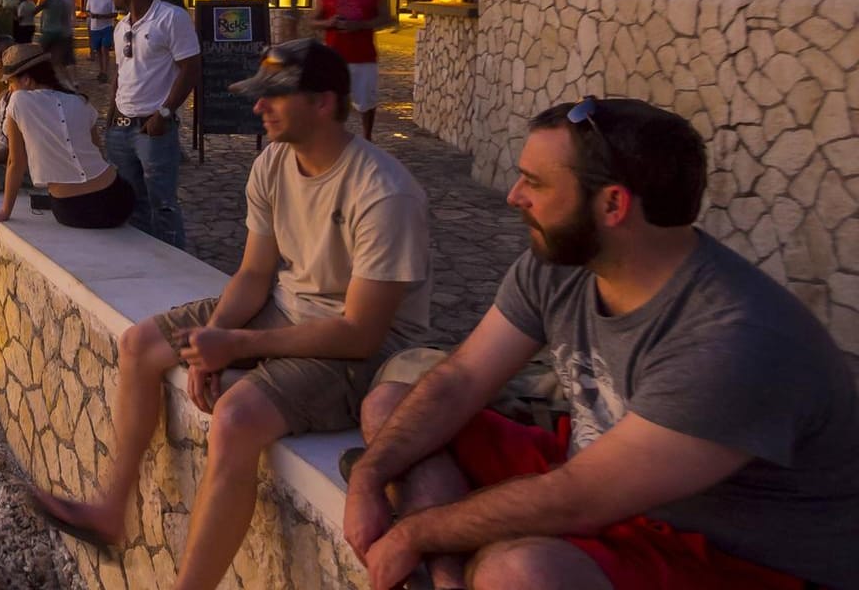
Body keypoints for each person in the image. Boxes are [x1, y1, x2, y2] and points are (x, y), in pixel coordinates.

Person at [344, 97, 859, 590]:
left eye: (535, 182)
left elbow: (577, 499)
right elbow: (461, 380)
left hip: (725, 552)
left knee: (517, 573)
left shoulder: (734, 339)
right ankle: (448, 581)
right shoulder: (562, 263)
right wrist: (369, 476)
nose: (513, 196)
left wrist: (413, 531)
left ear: (613, 204)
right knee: (394, 405)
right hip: (592, 477)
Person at [33, 39, 431, 589]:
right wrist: (212, 337)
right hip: (284, 309)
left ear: (322, 103)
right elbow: (252, 274)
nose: (257, 108)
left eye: (274, 97)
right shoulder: (272, 162)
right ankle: (110, 511)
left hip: (358, 346)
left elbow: (361, 334)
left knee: (237, 419)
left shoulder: (383, 193)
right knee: (139, 346)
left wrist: (238, 348)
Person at [104, 0, 200, 249]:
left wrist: (165, 112)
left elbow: (191, 67)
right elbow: (121, 71)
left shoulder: (171, 18)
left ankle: (174, 259)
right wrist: (111, 110)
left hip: (153, 126)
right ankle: (144, 258)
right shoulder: (122, 27)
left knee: (163, 202)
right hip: (121, 127)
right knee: (132, 199)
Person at [0, 46, 135, 229]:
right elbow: (98, 152)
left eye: (10, 83)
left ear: (26, 80)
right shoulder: (81, 101)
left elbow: (15, 162)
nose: (9, 89)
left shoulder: (18, 101)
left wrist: (5, 211)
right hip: (117, 200)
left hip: (72, 208)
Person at [312, 0, 388, 141]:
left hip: (363, 55)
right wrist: (328, 23)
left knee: (366, 100)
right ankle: (334, 136)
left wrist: (360, 25)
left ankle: (367, 137)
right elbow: (313, 21)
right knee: (334, 97)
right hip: (335, 55)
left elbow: (386, 18)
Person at [38, 0, 77, 86]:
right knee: (67, 59)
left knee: (51, 58)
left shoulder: (52, 0)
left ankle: (58, 81)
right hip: (65, 31)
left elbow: (44, 15)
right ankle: (72, 81)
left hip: (54, 32)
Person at [84, 0, 116, 83]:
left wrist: (102, 16)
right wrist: (91, 15)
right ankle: (101, 71)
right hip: (95, 27)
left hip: (106, 26)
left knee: (105, 49)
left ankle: (105, 71)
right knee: (97, 50)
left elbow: (114, 13)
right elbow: (87, 10)